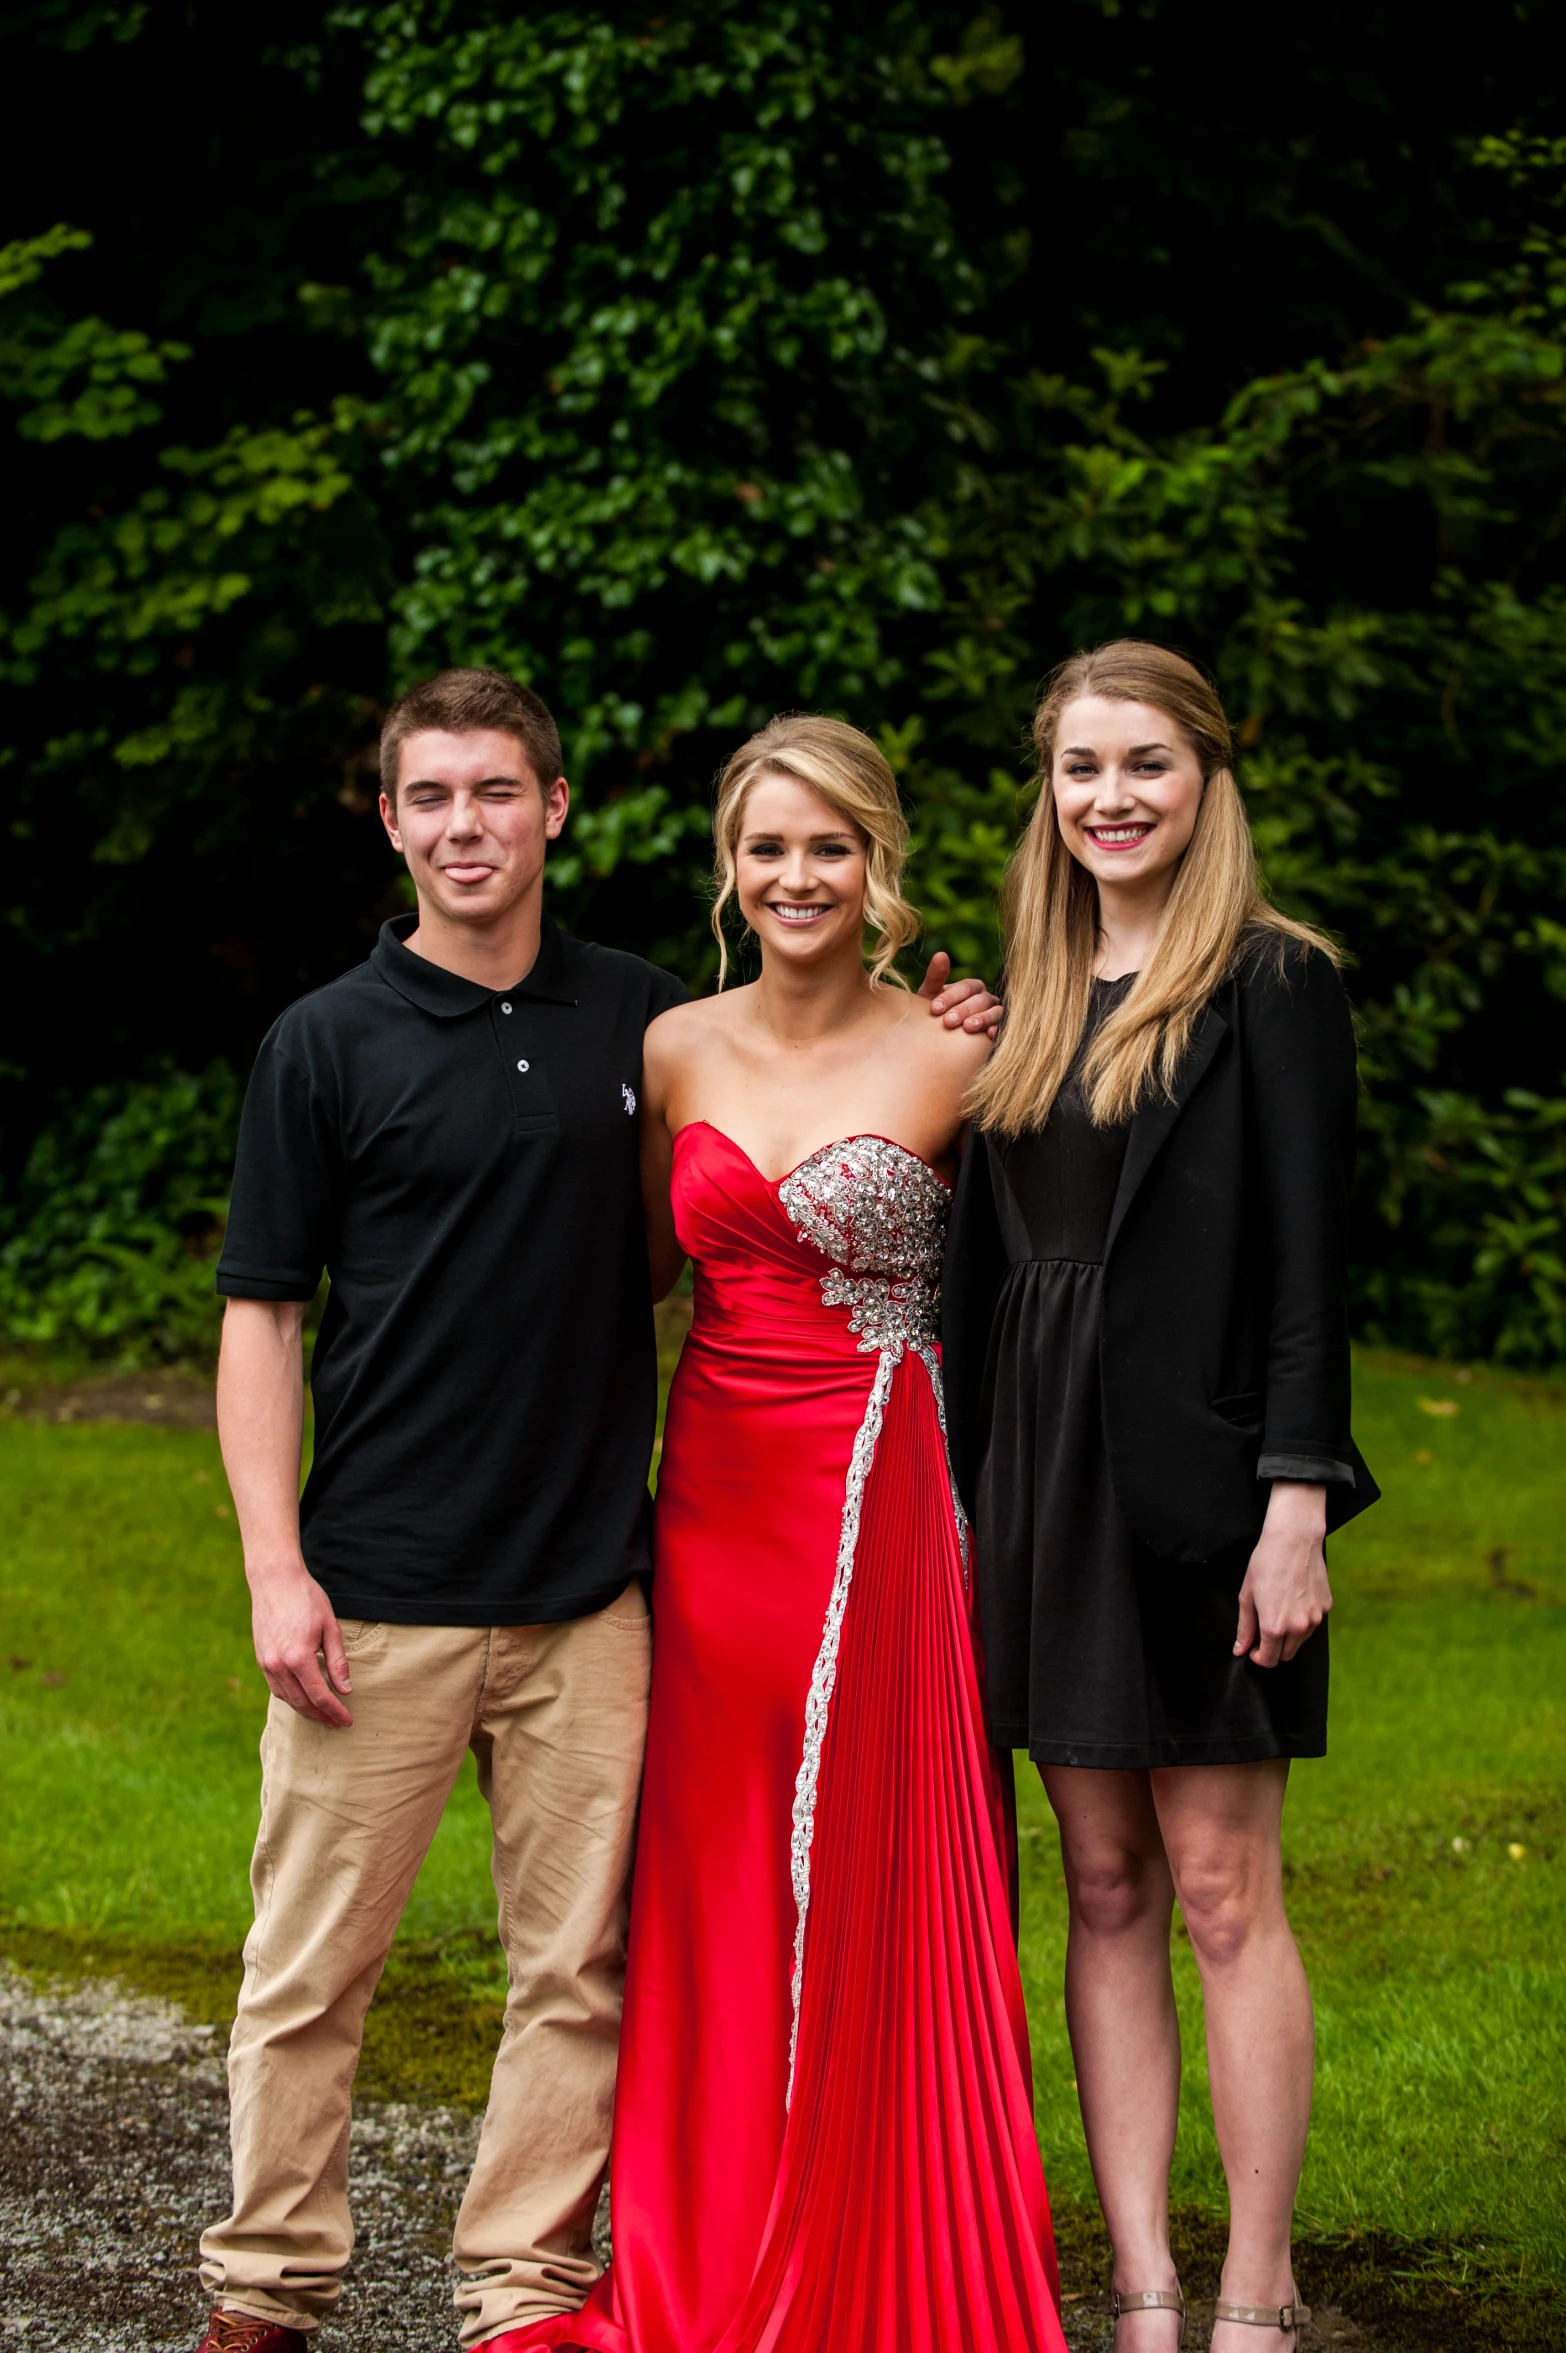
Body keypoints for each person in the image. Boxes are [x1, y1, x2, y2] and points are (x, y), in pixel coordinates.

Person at [194, 670, 999, 2353]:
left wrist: (960, 1035)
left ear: (554, 810)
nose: (464, 826)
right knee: (307, 1973)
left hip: (595, 1591)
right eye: (431, 798)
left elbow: (674, 1251)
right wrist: (276, 1566)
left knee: (576, 1979)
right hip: (383, 1589)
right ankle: (265, 2295)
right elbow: (263, 1317)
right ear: (395, 821)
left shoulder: (636, 1023)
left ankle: (521, 2296)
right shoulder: (321, 1044)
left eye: (497, 792)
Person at [510, 714, 1070, 2353]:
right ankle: (710, 2242)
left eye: (829, 846)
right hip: (715, 1496)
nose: (797, 876)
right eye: (767, 848)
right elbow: (633, 1277)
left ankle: (878, 2229)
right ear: (728, 871)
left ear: (877, 865)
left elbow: (1036, 1297)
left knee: (868, 1842)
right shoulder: (674, 1046)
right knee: (711, 1859)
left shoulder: (962, 1056)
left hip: (879, 1496)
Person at [942, 641, 1380, 2352]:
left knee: (1218, 1886)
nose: (1109, 799)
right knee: (1102, 1884)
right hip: (1040, 1478)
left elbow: (1303, 1272)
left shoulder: (1273, 983)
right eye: (1078, 771)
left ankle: (1255, 2293)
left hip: (1204, 1486)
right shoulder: (1023, 995)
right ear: (1045, 796)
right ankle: (1138, 2286)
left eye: (1144, 766)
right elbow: (987, 1264)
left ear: (1207, 782)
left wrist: (1294, 1502)